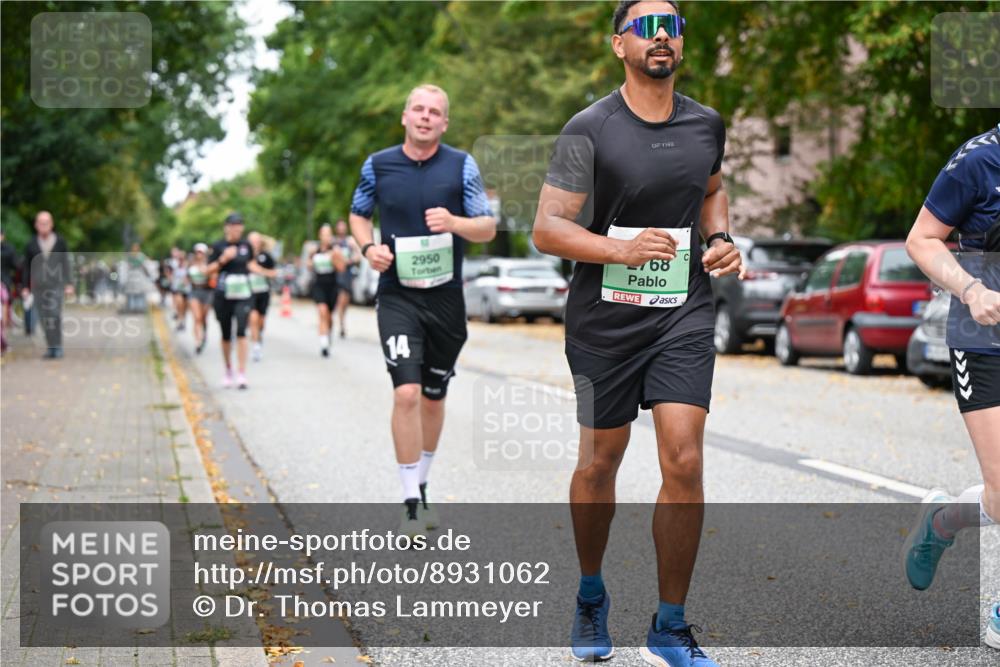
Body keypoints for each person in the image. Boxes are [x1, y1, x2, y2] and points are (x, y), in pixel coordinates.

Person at [532, 2, 745, 664]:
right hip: (605, 321)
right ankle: (592, 593)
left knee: (684, 456)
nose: (662, 35)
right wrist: (617, 250)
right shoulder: (587, 127)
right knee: (601, 461)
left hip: (682, 311)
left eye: (673, 26)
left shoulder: (706, 122)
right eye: (647, 26)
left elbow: (712, 189)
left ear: (682, 44)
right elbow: (546, 228)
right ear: (618, 42)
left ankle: (669, 625)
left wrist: (721, 237)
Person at [349, 83, 496, 535]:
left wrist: (454, 223)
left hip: (446, 297)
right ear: (404, 116)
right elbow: (357, 214)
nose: (426, 116)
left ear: (445, 122)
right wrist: (367, 247)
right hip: (398, 294)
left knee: (433, 397)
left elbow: (488, 227)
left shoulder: (460, 165)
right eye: (418, 108)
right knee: (406, 393)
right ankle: (410, 498)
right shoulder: (378, 165)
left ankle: (423, 483)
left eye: (435, 111)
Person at [902, 123, 1000, 651]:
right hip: (985, 338)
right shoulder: (978, 160)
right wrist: (970, 288)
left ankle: (942, 519)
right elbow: (922, 238)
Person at [206, 212, 257, 389]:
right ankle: (228, 370)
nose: (237, 228)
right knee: (226, 334)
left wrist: (266, 273)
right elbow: (208, 271)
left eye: (240, 225)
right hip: (223, 295)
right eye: (234, 225)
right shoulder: (218, 246)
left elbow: (251, 265)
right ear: (227, 227)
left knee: (242, 332)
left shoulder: (246, 246)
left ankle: (242, 373)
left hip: (243, 295)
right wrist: (223, 259)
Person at [22, 211, 74, 359]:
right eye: (40, 222)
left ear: (51, 224)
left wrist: (69, 283)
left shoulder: (60, 241)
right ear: (36, 225)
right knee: (44, 317)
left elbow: (65, 263)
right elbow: (26, 266)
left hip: (56, 284)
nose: (43, 225)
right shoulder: (31, 244)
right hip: (38, 286)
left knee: (54, 314)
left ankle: (57, 346)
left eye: (46, 222)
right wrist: (25, 286)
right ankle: (51, 347)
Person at [308, 223, 346, 357]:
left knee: (329, 316)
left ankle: (327, 334)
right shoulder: (314, 250)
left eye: (329, 234)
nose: (326, 237)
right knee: (322, 311)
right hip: (319, 285)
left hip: (332, 286)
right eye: (324, 234)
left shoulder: (335, 250)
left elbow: (342, 268)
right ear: (320, 235)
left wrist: (334, 259)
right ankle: (323, 344)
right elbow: (309, 265)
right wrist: (310, 263)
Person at [247, 231, 278, 362]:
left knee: (261, 321)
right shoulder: (244, 256)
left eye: (256, 240)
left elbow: (274, 273)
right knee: (253, 318)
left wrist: (259, 270)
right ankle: (255, 347)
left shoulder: (266, 257)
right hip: (249, 292)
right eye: (252, 241)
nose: (254, 243)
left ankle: (258, 338)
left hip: (263, 292)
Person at [333, 219, 360, 339]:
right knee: (341, 299)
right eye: (340, 226)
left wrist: (350, 260)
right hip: (337, 274)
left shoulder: (349, 241)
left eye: (343, 226)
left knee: (345, 301)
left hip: (347, 274)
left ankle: (342, 319)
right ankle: (341, 324)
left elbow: (358, 256)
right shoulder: (333, 242)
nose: (342, 228)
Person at [187, 243, 213, 354]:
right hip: (194, 291)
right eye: (198, 252)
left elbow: (214, 278)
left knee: (203, 317)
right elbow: (187, 277)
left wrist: (207, 272)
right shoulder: (191, 263)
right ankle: (197, 341)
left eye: (201, 252)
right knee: (197, 317)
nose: (199, 254)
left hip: (206, 291)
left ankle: (204, 334)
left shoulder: (209, 264)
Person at [169, 246, 189, 331]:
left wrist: (187, 280)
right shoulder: (174, 265)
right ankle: (179, 321)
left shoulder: (188, 265)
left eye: (182, 257)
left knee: (184, 307)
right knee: (179, 304)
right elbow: (170, 274)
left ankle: (182, 321)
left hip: (186, 289)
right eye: (179, 257)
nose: (180, 259)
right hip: (177, 288)